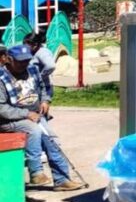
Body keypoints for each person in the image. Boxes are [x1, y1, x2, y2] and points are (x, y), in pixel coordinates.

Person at [0, 44, 83, 191]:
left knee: (52, 142)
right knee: (33, 130)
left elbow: (44, 87)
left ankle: (62, 180)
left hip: (35, 116)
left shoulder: (33, 69)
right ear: (9, 59)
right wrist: (26, 114)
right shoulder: (1, 78)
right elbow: (2, 109)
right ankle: (36, 173)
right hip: (10, 120)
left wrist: (45, 100)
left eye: (27, 60)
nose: (24, 64)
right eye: (20, 61)